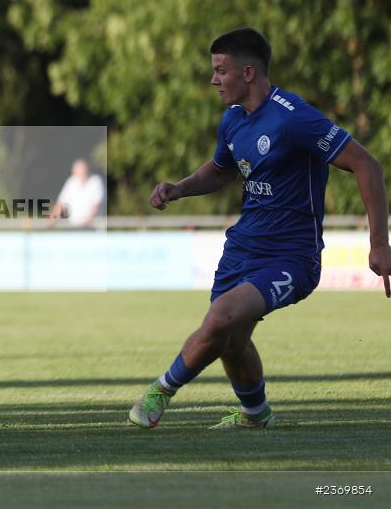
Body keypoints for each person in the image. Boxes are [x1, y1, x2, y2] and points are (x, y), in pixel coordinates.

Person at [129, 27, 391, 430]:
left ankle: (159, 391)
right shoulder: (233, 120)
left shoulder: (293, 118)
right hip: (242, 248)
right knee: (230, 339)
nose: (214, 80)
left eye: (221, 70)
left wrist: (379, 244)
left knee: (220, 318)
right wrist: (178, 189)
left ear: (248, 73)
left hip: (291, 257)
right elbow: (220, 171)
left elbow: (366, 164)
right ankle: (255, 414)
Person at [49, 158, 105, 228]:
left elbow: (97, 205)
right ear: (74, 171)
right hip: (74, 227)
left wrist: (87, 222)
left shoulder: (95, 181)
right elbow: (61, 203)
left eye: (84, 170)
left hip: (93, 228)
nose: (82, 173)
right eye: (79, 171)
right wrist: (52, 220)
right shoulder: (71, 182)